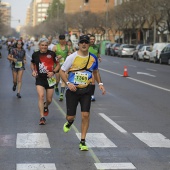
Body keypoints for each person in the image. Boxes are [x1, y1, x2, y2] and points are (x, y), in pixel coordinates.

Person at [59, 35, 106, 151]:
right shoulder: (72, 57)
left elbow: (96, 71)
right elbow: (62, 71)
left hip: (86, 90)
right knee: (70, 116)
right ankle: (70, 122)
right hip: (72, 91)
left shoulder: (93, 58)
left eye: (86, 42)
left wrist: (100, 84)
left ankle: (83, 141)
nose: (84, 44)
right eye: (82, 42)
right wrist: (68, 83)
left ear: (89, 44)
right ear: (78, 44)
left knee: (85, 115)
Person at [30, 38, 60, 125]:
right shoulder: (35, 54)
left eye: (45, 45)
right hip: (40, 78)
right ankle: (42, 117)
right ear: (39, 45)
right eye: (42, 45)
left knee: (49, 99)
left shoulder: (52, 54)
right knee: (41, 96)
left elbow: (58, 64)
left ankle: (46, 106)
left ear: (48, 46)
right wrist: (33, 71)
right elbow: (32, 64)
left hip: (50, 79)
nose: (44, 47)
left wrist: (53, 72)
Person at [52, 34, 69, 101]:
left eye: (63, 39)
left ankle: (61, 94)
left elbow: (70, 54)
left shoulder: (67, 47)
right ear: (59, 40)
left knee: (64, 79)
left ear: (65, 40)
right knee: (58, 80)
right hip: (57, 66)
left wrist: (70, 54)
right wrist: (56, 57)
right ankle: (56, 85)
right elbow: (51, 56)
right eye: (61, 40)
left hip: (64, 66)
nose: (62, 41)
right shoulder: (55, 47)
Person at [88, 34, 101, 101]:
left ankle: (92, 95)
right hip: (86, 66)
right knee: (87, 81)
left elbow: (98, 53)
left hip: (94, 66)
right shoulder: (87, 46)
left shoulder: (97, 47)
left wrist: (99, 58)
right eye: (91, 39)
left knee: (93, 81)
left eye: (93, 39)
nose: (92, 40)